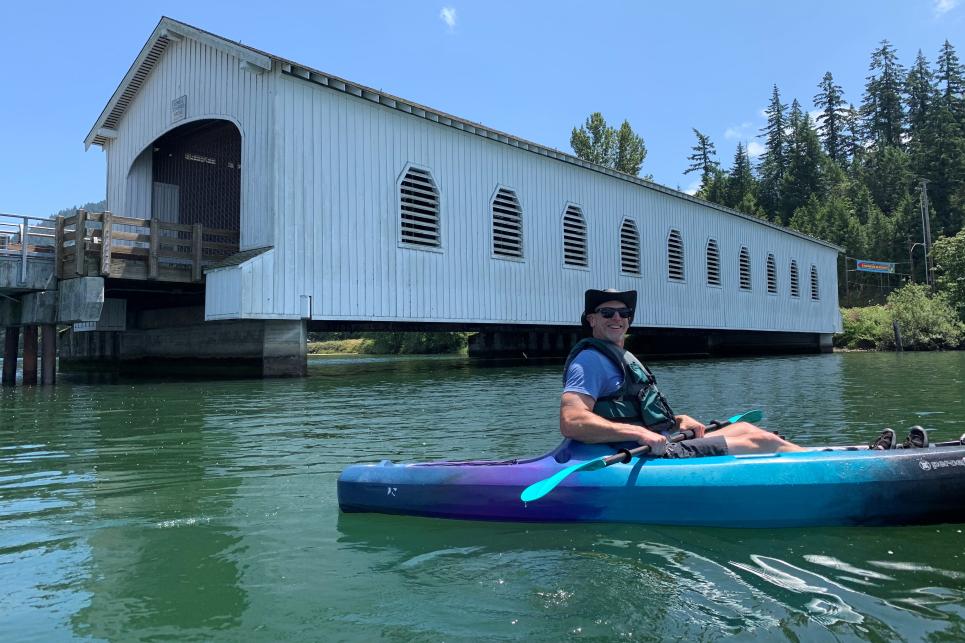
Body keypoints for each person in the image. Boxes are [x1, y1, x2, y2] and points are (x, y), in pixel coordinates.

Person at [559, 288, 805, 458]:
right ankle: (828, 468)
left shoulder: (621, 358)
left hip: (661, 443)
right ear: (591, 320)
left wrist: (677, 421)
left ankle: (819, 456)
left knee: (747, 430)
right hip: (639, 455)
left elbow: (632, 411)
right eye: (607, 313)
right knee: (761, 442)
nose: (617, 318)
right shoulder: (589, 361)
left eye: (623, 314)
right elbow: (572, 421)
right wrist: (638, 433)